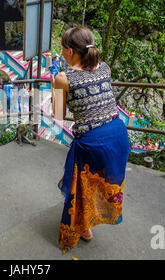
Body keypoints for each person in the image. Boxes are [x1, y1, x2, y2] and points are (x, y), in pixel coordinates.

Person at [51, 26, 130, 253]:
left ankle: (82, 228)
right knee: (100, 183)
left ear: (70, 52)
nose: (61, 52)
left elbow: (57, 113)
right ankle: (91, 221)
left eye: (62, 48)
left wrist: (54, 86)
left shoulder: (63, 77)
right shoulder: (105, 67)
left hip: (94, 141)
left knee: (81, 187)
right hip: (118, 135)